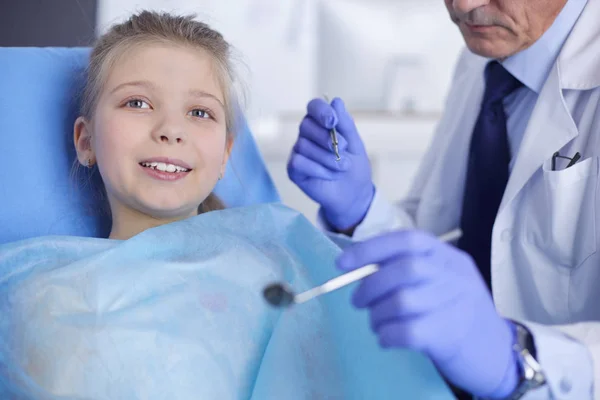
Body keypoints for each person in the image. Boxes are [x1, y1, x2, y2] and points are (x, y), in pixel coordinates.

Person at [0, 11, 455, 399]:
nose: (170, 130)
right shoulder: (43, 296)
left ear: (224, 156)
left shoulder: (285, 264)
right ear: (86, 141)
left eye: (200, 113)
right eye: (137, 102)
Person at [288, 0, 600, 398]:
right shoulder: (485, 58)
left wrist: (518, 362)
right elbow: (444, 233)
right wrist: (360, 210)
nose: (464, 5)